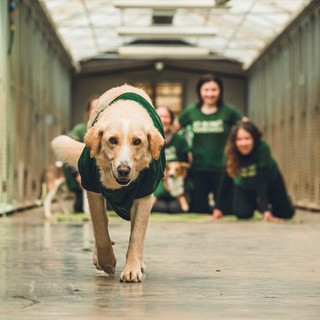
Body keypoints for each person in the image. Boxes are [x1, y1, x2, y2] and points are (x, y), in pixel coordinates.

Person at [174, 73, 244, 214]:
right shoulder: (191, 111)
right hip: (199, 167)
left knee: (225, 210)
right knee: (198, 209)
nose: (210, 94)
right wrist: (184, 151)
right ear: (200, 92)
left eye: (214, 90)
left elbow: (246, 128)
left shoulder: (228, 111)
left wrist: (237, 150)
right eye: (206, 90)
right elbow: (174, 130)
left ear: (220, 91)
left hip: (222, 166)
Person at [212, 120, 295, 222]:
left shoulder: (262, 149)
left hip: (270, 182)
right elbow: (225, 179)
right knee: (242, 214)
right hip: (245, 185)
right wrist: (218, 208)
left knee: (285, 213)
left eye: (247, 138)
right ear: (234, 142)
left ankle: (280, 202)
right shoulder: (230, 152)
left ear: (254, 139)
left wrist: (265, 210)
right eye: (239, 139)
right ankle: (256, 204)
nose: (244, 143)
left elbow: (262, 181)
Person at [152, 106, 191, 213]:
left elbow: (186, 162)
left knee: (175, 208)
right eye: (160, 116)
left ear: (171, 119)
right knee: (161, 208)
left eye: (166, 117)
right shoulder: (148, 139)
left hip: (176, 184)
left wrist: (183, 172)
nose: (163, 120)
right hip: (156, 187)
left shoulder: (180, 140)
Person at [64, 95, 99, 212]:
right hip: (82, 175)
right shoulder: (80, 129)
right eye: (94, 107)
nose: (97, 110)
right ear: (88, 111)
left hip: (102, 178)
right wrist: (78, 174)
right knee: (80, 207)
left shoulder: (109, 130)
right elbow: (70, 152)